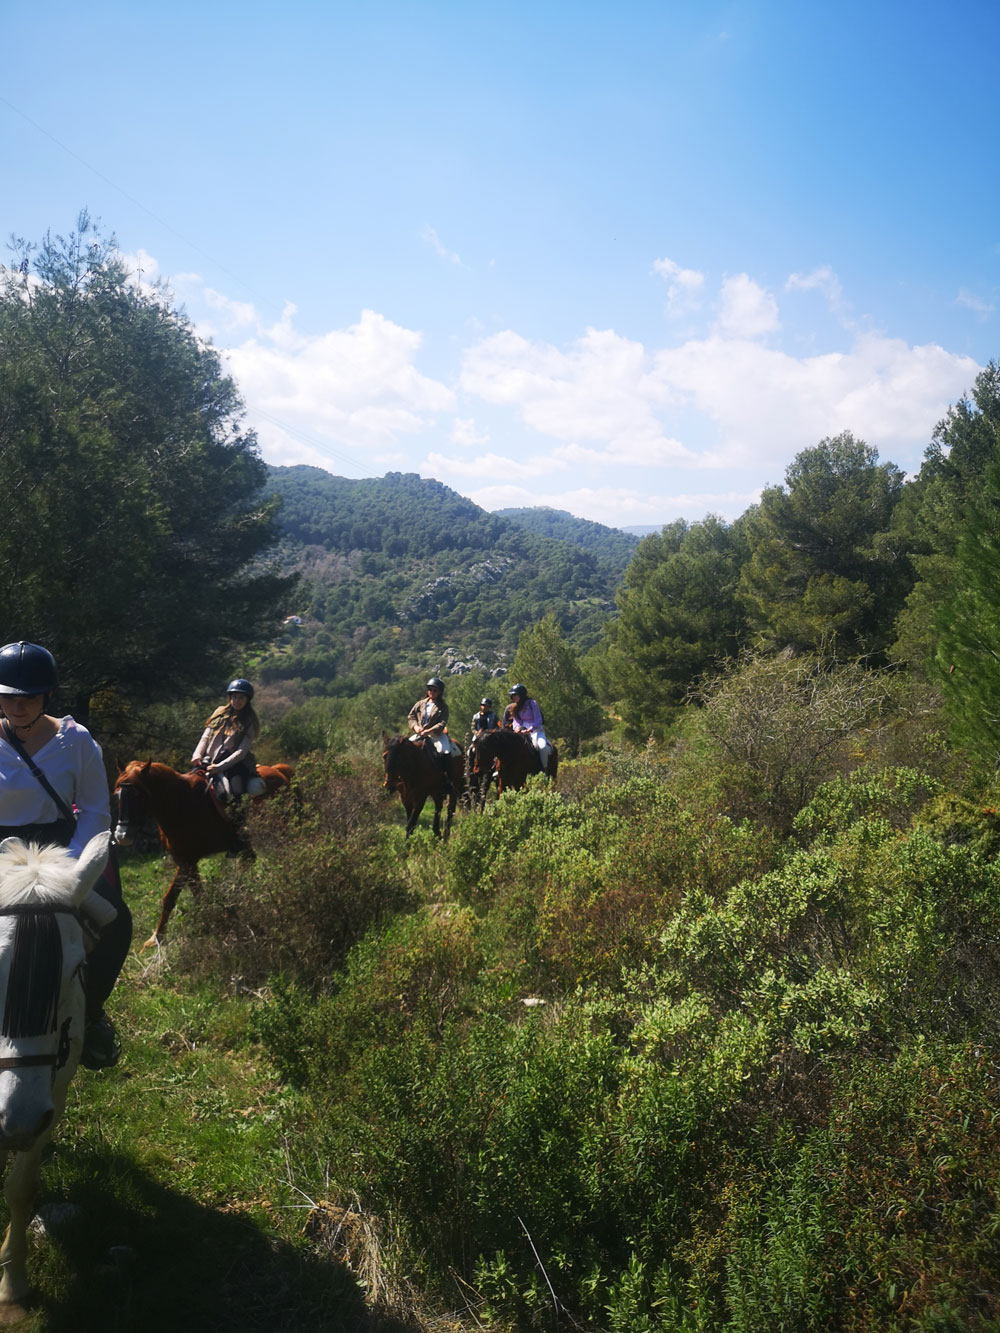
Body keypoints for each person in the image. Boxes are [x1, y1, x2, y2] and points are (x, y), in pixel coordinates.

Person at [0, 641, 132, 1071]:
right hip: (1, 855)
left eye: (29, 698)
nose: (18, 707)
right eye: (8, 697)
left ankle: (90, 1015)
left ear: (47, 696)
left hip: (60, 853)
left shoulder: (76, 741)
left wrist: (70, 869)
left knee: (114, 923)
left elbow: (94, 808)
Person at [192, 678, 264, 806]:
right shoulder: (219, 713)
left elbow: (241, 752)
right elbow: (205, 737)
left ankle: (238, 822)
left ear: (247, 700)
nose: (237, 701)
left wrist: (220, 767)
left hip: (235, 764)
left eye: (241, 698)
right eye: (234, 697)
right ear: (230, 697)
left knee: (237, 792)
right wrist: (197, 755)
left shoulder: (250, 721)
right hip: (210, 759)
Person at [407, 677, 458, 793]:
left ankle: (447, 781)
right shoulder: (420, 704)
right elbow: (411, 716)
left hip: (436, 735)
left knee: (445, 751)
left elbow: (442, 722)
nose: (432, 692)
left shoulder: (443, 707)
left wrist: (429, 731)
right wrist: (416, 727)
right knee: (405, 748)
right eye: (430, 689)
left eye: (435, 690)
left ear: (439, 692)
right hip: (420, 733)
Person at [502, 683, 554, 772]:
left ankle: (544, 769)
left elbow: (538, 719)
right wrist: (517, 728)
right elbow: (516, 721)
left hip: (536, 730)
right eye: (512, 696)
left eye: (515, 695)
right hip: (522, 730)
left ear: (521, 695)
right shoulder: (514, 707)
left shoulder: (532, 703)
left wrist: (530, 729)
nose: (513, 698)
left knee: (542, 747)